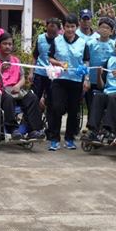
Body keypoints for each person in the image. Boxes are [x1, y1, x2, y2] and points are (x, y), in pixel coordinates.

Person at [0, 33, 45, 140]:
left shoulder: (16, 61)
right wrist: (0, 71)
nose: (7, 46)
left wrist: (18, 85)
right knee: (8, 98)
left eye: (10, 44)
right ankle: (13, 130)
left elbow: (22, 78)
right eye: (5, 44)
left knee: (32, 98)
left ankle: (33, 130)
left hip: (16, 91)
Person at [47, 13, 91, 151]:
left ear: (76, 27)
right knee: (57, 108)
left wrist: (86, 79)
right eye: (67, 26)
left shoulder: (82, 43)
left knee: (73, 110)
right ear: (63, 27)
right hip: (59, 80)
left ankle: (69, 138)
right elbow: (50, 58)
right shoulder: (57, 41)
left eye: (72, 26)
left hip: (76, 81)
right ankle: (54, 139)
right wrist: (59, 63)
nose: (70, 29)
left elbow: (86, 62)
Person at [85, 18, 116, 116]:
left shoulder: (114, 45)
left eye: (107, 28)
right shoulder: (90, 43)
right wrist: (86, 78)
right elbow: (86, 61)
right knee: (91, 105)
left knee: (104, 105)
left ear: (111, 31)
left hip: (107, 81)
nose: (104, 30)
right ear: (98, 29)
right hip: (92, 79)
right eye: (102, 27)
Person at [30, 17, 59, 107]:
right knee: (35, 98)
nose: (52, 34)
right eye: (50, 31)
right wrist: (31, 72)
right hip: (40, 72)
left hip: (54, 75)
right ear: (46, 28)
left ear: (58, 30)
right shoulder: (40, 38)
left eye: (54, 32)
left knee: (51, 100)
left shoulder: (60, 41)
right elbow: (35, 56)